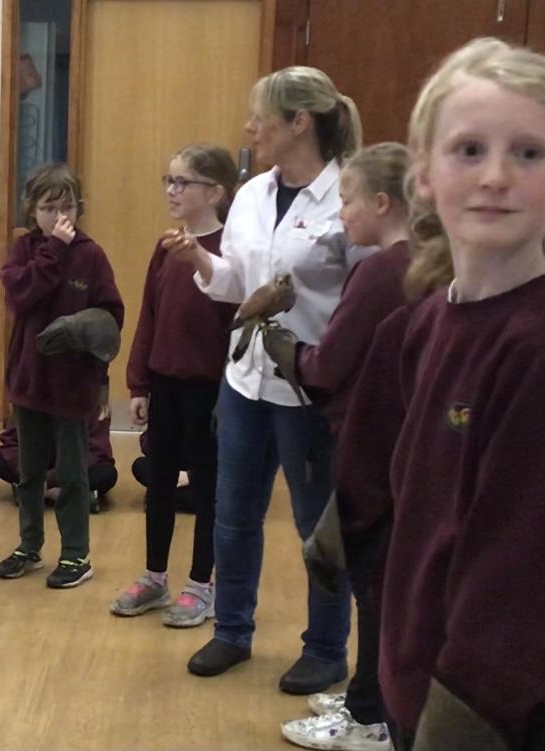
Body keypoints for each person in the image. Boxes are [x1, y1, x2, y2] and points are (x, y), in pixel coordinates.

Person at [337, 38, 545, 751]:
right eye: (469, 150)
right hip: (416, 676)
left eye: (529, 153)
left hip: (490, 713)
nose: (496, 176)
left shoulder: (532, 348)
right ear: (424, 174)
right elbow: (393, 483)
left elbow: (515, 578)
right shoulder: (423, 324)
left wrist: (458, 718)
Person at [165, 66, 369, 692]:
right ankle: (232, 631)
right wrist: (201, 260)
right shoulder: (253, 192)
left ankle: (326, 648)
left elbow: (368, 298)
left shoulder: (347, 196)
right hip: (245, 381)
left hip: (309, 389)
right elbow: (237, 282)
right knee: (231, 515)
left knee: (315, 527)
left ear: (299, 122)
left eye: (261, 117)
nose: (250, 128)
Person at [265, 142, 412, 750]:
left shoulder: (381, 271)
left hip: (375, 447)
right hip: (402, 447)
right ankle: (369, 696)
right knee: (385, 586)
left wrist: (289, 353)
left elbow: (329, 366)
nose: (341, 212)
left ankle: (370, 717)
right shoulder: (426, 261)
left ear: (381, 202)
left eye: (348, 200)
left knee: (374, 586)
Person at [109, 143, 237, 628]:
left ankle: (202, 584)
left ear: (215, 192)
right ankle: (154, 576)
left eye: (183, 182)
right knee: (158, 484)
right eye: (169, 180)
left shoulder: (230, 252)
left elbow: (235, 323)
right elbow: (149, 315)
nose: (172, 190)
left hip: (211, 391)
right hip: (165, 384)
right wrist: (139, 384)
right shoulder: (166, 248)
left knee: (207, 490)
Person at [0, 161, 124, 589]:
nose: (58, 217)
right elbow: (21, 295)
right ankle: (29, 545)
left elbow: (110, 317)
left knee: (72, 473)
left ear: (78, 208)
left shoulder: (91, 255)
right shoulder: (24, 251)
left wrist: (96, 367)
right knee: (29, 470)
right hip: (30, 380)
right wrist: (52, 250)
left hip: (73, 386)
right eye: (48, 208)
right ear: (32, 210)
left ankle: (76, 554)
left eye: (66, 207)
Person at [0, 405, 118, 512]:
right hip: (36, 465)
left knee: (107, 473)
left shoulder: (92, 400)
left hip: (74, 468)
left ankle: (37, 493)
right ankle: (73, 497)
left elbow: (95, 453)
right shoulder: (27, 397)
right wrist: (34, 475)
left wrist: (49, 480)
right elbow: (12, 445)